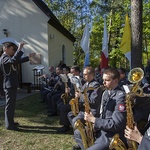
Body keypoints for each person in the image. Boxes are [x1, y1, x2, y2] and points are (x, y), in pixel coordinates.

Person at [81, 68, 126, 150]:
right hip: (103, 132)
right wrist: (95, 125)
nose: (103, 82)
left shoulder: (120, 96)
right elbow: (103, 114)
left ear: (116, 80)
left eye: (107, 80)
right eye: (103, 80)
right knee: (79, 133)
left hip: (112, 136)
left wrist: (94, 120)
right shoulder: (106, 93)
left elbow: (116, 124)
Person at [0, 42, 35, 130]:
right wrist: (19, 49)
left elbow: (17, 61)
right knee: (9, 106)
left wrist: (28, 57)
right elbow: (13, 60)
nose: (13, 51)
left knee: (11, 105)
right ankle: (9, 125)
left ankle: (10, 122)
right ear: (6, 49)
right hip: (9, 85)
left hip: (11, 84)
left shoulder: (7, 58)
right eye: (12, 49)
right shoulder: (4, 58)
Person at [71, 66, 103, 150]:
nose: (83, 76)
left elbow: (93, 101)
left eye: (85, 74)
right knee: (73, 119)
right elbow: (81, 93)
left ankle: (83, 142)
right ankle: (81, 140)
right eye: (83, 74)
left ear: (91, 74)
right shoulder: (86, 84)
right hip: (85, 109)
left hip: (92, 111)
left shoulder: (95, 85)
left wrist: (80, 96)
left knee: (75, 121)